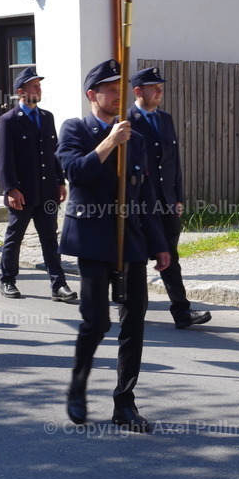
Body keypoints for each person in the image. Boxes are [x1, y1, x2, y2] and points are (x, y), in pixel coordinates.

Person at [57, 59, 170, 433]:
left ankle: (125, 402)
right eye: (111, 89)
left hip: (132, 241)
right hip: (93, 239)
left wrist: (160, 244)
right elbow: (76, 172)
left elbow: (146, 192)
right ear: (93, 95)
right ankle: (78, 386)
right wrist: (109, 142)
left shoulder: (134, 137)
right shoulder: (76, 128)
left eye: (122, 89)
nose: (118, 95)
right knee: (95, 321)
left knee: (133, 323)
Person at [127, 67, 211, 329]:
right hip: (140, 203)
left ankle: (181, 312)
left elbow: (173, 162)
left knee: (170, 257)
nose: (160, 91)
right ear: (138, 91)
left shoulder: (165, 119)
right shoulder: (126, 120)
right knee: (136, 260)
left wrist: (177, 196)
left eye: (161, 86)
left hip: (166, 201)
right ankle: (130, 311)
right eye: (154, 87)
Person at [0, 67, 77, 302]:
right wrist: (10, 188)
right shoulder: (8, 120)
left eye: (39, 86)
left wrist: (60, 181)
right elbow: (4, 158)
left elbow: (54, 153)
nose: (38, 90)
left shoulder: (46, 117)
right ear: (21, 92)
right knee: (15, 236)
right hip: (22, 191)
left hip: (47, 191)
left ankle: (58, 285)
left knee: (50, 238)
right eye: (34, 86)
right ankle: (8, 280)